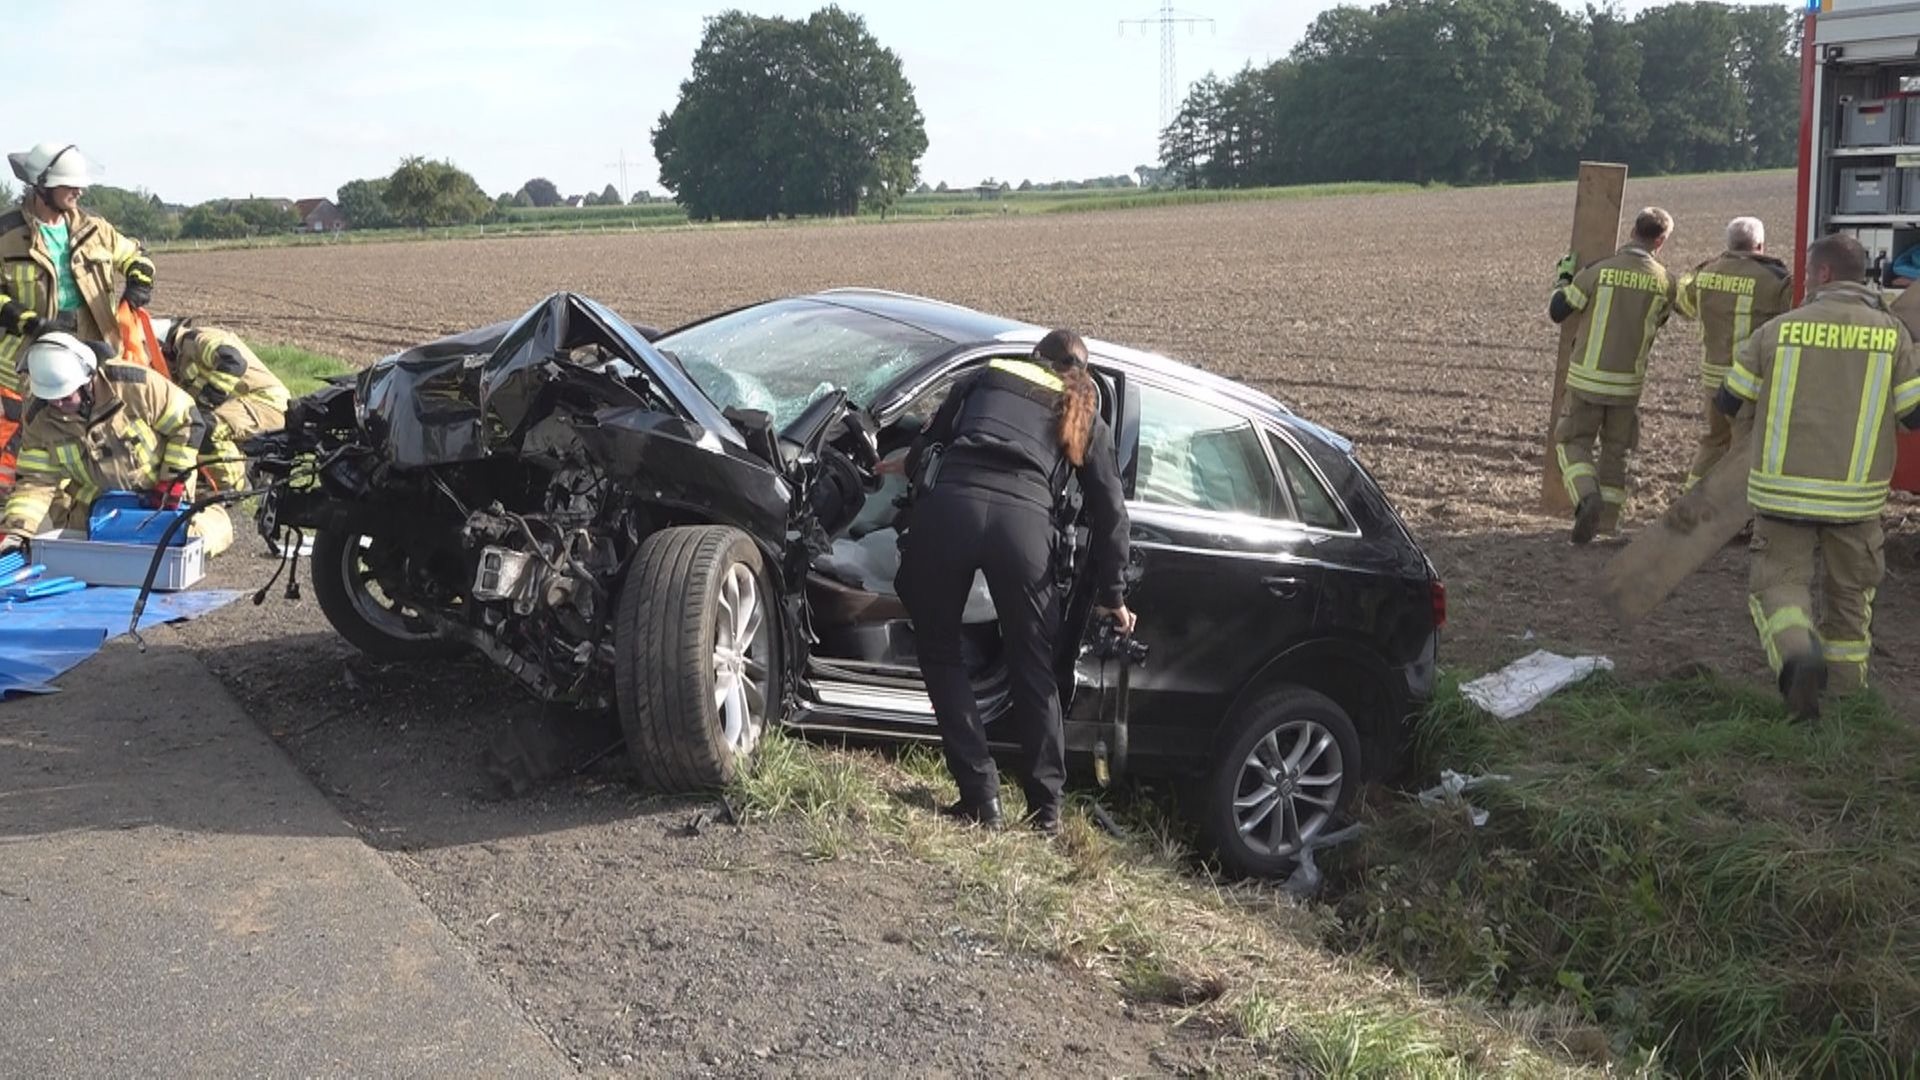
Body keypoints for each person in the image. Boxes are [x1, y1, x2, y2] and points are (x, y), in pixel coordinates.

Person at [893, 329, 1133, 832]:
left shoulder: (991, 374)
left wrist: (898, 467)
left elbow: (928, 447)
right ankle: (1046, 813)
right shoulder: (1086, 410)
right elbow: (1111, 509)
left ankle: (980, 795)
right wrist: (1113, 595)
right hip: (1024, 529)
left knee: (938, 650)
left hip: (952, 510)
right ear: (1082, 372)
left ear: (1035, 357)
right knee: (1034, 668)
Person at [1718, 234, 1920, 718]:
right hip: (1856, 502)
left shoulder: (1778, 331)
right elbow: (1914, 416)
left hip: (1781, 492)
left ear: (1824, 274)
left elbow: (1728, 399)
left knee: (1779, 585)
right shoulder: (1894, 336)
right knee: (1850, 599)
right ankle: (1849, 703)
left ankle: (1798, 657)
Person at [1, 143, 157, 490]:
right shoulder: (6, 235)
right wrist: (28, 321)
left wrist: (138, 282)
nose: (79, 191)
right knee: (20, 432)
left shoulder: (95, 229)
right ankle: (14, 504)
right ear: (42, 186)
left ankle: (89, 496)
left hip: (94, 347)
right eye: (69, 184)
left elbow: (138, 257)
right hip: (24, 358)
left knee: (96, 422)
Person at [0, 333, 203, 558]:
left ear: (86, 382)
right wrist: (17, 532)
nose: (57, 404)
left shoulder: (135, 386)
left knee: (191, 540)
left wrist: (171, 480)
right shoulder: (39, 418)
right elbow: (35, 482)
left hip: (160, 499)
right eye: (50, 399)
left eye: (65, 397)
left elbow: (188, 422)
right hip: (98, 511)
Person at [1549, 207, 1679, 543]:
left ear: (1633, 230)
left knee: (1572, 441)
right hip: (1627, 386)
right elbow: (1660, 321)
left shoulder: (1599, 271)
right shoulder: (1666, 283)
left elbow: (1559, 311)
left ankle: (1585, 496)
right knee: (1616, 451)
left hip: (1586, 380)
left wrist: (1564, 278)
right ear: (1660, 241)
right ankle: (1607, 525)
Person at [1672, 217, 1794, 491]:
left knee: (1713, 442)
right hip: (1749, 386)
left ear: (1728, 244)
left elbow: (1682, 303)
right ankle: (1737, 519)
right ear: (1760, 245)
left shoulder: (1707, 273)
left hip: (1713, 381)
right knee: (1746, 452)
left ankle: (1690, 505)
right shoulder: (1776, 280)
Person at [152, 317, 291, 491]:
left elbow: (232, 362)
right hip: (248, 404)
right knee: (192, 425)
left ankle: (238, 486)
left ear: (160, 346)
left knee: (205, 428)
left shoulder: (198, 339)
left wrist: (205, 402)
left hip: (267, 403)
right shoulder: (181, 361)